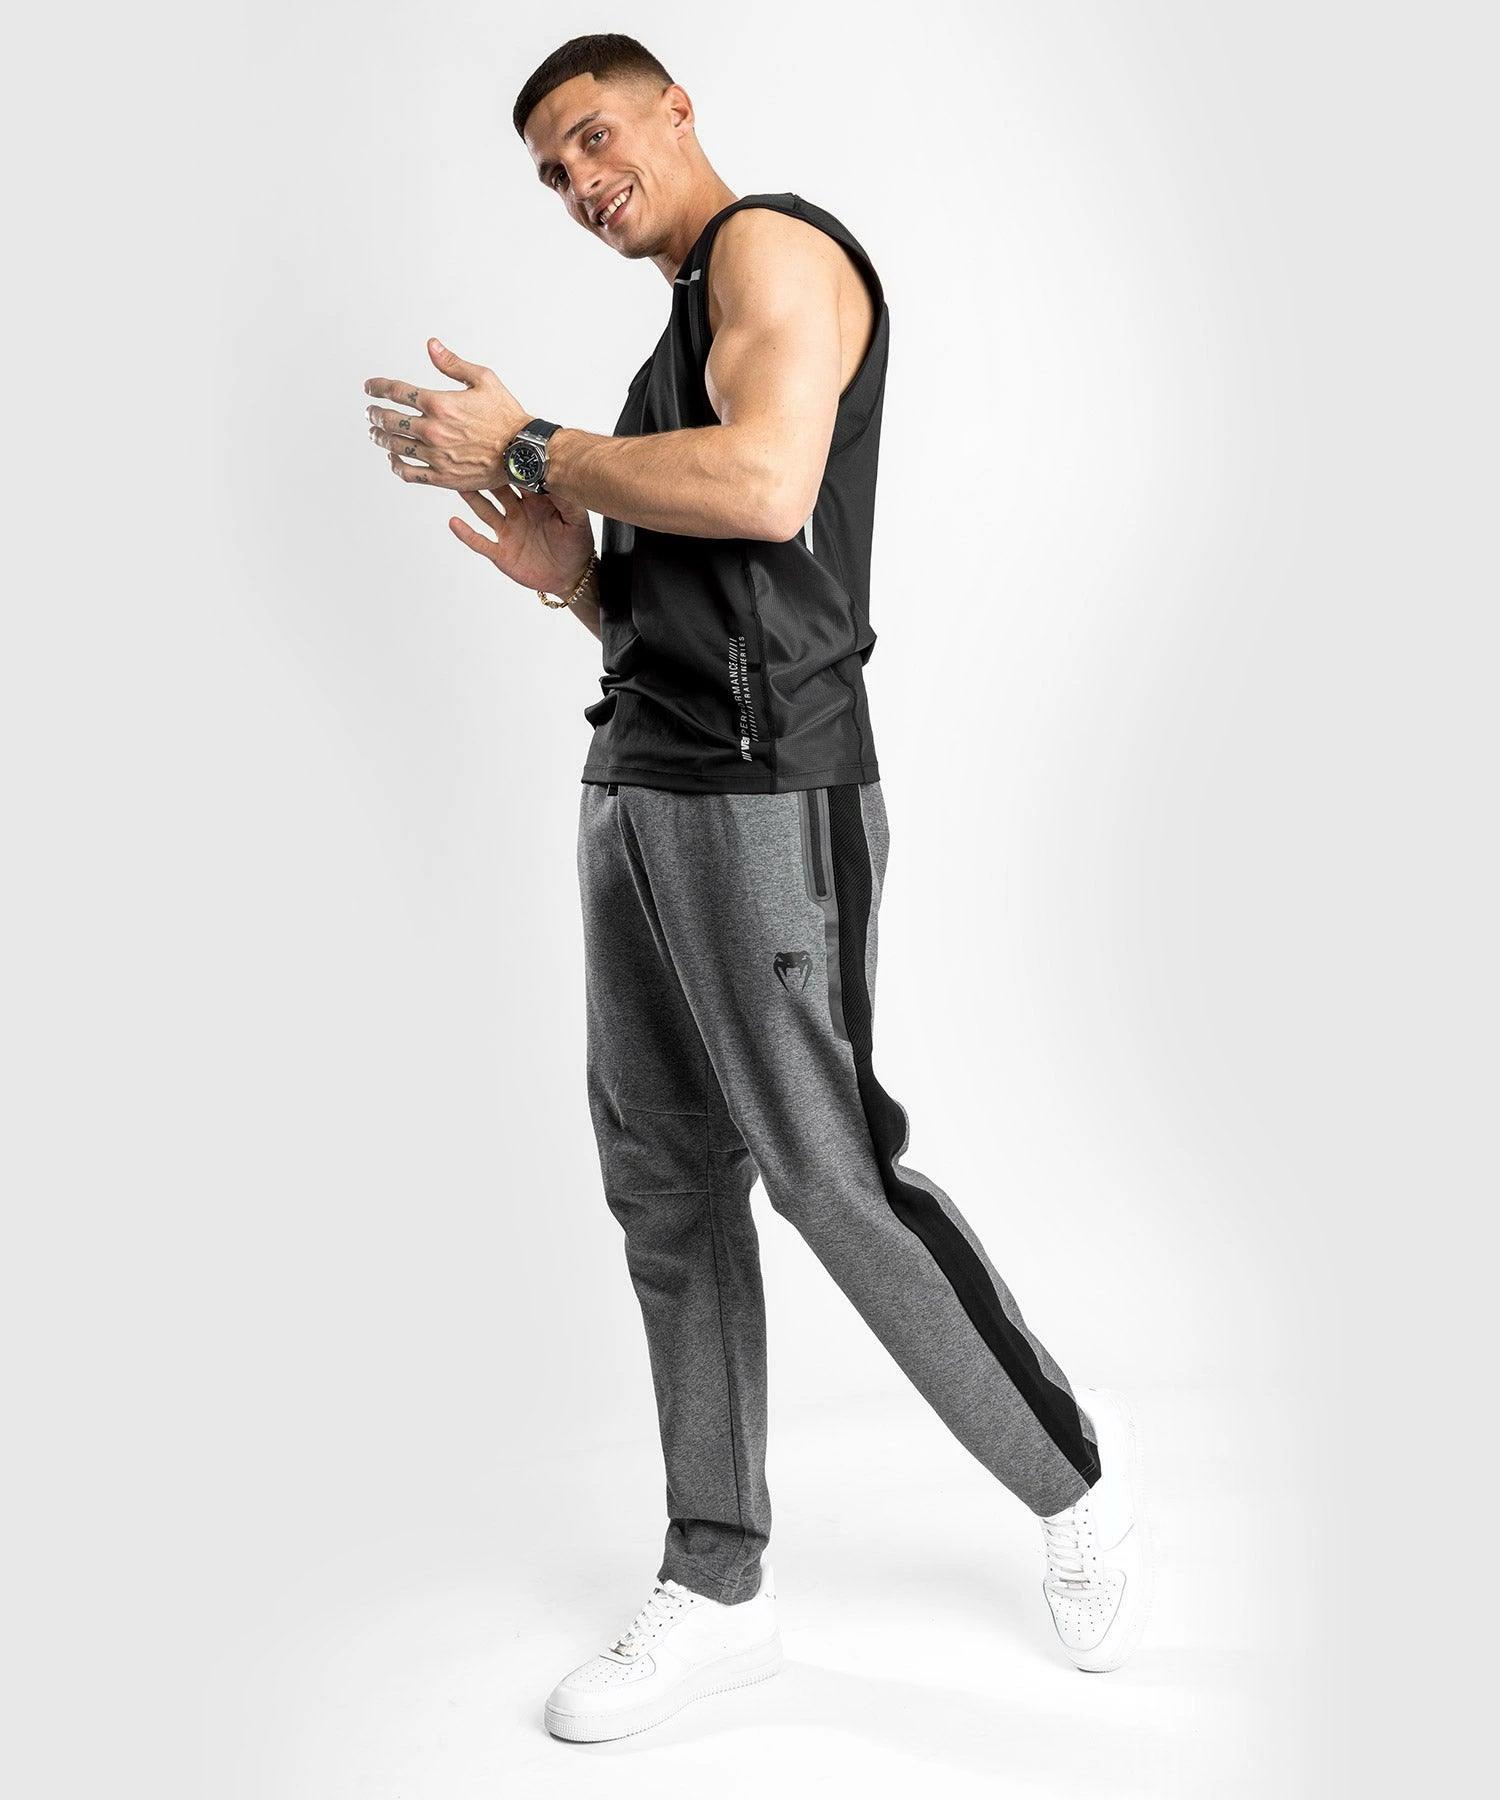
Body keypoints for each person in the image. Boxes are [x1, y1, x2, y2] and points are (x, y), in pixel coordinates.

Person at [363, 31, 1152, 1746]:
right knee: (664, 1185)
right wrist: (573, 574)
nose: (581, 183)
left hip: (767, 793)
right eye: (551, 173)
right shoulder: (673, 332)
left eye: (594, 138)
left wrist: (533, 446)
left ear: (676, 110)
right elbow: (698, 577)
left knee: (827, 1171)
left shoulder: (772, 249)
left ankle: (1068, 1482)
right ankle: (718, 1583)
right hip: (635, 780)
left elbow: (770, 481)